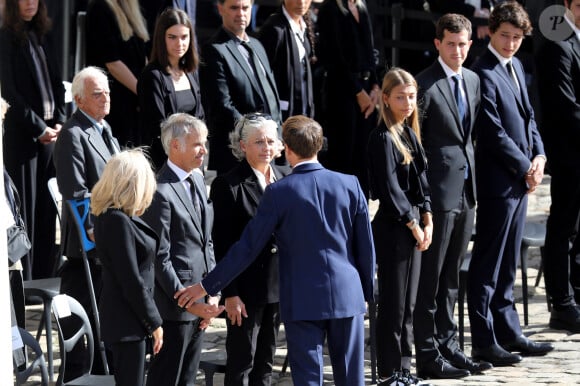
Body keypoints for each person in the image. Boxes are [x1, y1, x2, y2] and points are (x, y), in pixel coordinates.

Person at [176, 115, 376, 386]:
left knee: (308, 378)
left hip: (301, 297)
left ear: (288, 149)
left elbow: (247, 247)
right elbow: (365, 246)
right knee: (352, 379)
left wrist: (206, 286)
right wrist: (365, 291)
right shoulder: (351, 184)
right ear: (318, 147)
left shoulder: (280, 191)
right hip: (347, 293)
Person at [468, 1, 554, 366]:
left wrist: (539, 157)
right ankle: (484, 338)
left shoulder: (517, 65)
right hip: (496, 180)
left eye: (517, 38)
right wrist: (524, 166)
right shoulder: (482, 70)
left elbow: (529, 115)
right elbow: (492, 131)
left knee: (508, 263)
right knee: (488, 261)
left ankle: (509, 331)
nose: (511, 43)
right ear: (492, 30)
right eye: (505, 36)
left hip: (521, 180)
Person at [413, 13, 492, 379]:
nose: (457, 51)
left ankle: (450, 346)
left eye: (463, 44)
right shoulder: (424, 86)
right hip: (438, 194)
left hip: (466, 192)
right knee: (431, 277)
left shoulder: (474, 80)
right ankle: (428, 352)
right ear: (437, 44)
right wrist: (424, 200)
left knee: (451, 278)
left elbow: (469, 136)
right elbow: (416, 148)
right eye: (450, 44)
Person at [141, 113, 224, 386]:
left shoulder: (198, 179)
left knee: (188, 377)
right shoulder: (160, 191)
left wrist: (212, 291)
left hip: (201, 298)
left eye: (205, 143)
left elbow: (206, 241)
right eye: (197, 144)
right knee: (168, 377)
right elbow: (160, 257)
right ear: (175, 146)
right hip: (174, 306)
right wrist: (191, 302)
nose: (204, 150)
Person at [210, 113, 288, 385]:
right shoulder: (228, 185)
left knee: (266, 360)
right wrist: (229, 293)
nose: (266, 147)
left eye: (270, 141)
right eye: (259, 142)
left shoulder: (285, 177)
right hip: (245, 290)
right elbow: (222, 242)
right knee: (243, 361)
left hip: (278, 286)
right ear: (243, 146)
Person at [366, 68, 432, 385]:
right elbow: (390, 190)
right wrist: (413, 223)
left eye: (411, 96)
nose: (407, 103)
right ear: (386, 99)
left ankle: (404, 368)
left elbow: (422, 183)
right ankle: (390, 371)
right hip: (394, 228)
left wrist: (428, 217)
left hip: (415, 224)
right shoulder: (382, 137)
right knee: (393, 303)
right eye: (400, 97)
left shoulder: (410, 133)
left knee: (409, 304)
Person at [53, 65, 120, 378]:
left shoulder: (106, 131)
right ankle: (83, 372)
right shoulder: (73, 134)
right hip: (88, 245)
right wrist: (95, 238)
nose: (105, 98)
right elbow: (75, 193)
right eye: (97, 94)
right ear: (79, 100)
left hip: (114, 235)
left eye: (107, 92)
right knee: (84, 326)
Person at [0, 0, 66, 280]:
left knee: (46, 208)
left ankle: (42, 272)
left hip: (50, 136)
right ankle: (25, 279)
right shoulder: (6, 37)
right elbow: (10, 91)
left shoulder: (42, 35)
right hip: (25, 138)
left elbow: (56, 81)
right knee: (26, 207)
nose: (31, 3)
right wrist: (39, 127)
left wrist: (60, 120)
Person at [91, 149, 163, 386]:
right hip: (127, 323)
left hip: (130, 321)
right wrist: (154, 322)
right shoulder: (116, 220)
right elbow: (130, 279)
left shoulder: (118, 216)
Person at [536, 0, 580, 333]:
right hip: (569, 156)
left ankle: (576, 295)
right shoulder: (558, 48)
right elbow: (565, 108)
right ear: (566, 6)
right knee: (564, 228)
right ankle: (561, 303)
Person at [199, 0, 282, 174]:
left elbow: (270, 97)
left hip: (270, 152)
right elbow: (222, 106)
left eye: (245, 8)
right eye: (234, 8)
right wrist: (257, 136)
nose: (241, 13)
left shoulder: (257, 45)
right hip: (236, 157)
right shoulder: (213, 50)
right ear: (220, 8)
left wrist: (277, 135)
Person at [316, 0, 380, 195]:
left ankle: (360, 211)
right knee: (344, 157)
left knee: (363, 157)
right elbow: (334, 58)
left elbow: (372, 49)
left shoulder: (362, 7)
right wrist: (358, 92)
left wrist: (376, 86)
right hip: (342, 93)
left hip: (368, 91)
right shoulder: (330, 9)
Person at [138, 7, 205, 169]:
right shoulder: (152, 75)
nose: (180, 43)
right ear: (162, 39)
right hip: (166, 164)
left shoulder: (191, 71)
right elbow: (157, 127)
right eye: (172, 37)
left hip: (193, 160)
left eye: (184, 37)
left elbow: (200, 117)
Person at [85, 0, 149, 147]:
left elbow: (142, 56)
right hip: (114, 104)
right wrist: (142, 91)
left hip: (133, 105)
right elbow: (112, 63)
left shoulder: (131, 9)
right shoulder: (100, 8)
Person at [258, 0, 316, 121]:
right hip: (281, 113)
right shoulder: (273, 29)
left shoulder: (304, 26)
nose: (301, 2)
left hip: (304, 110)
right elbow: (262, 76)